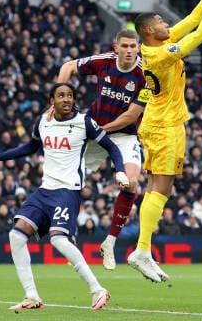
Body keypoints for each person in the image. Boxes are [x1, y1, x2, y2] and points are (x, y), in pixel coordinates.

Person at [0, 83, 128, 311]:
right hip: (45, 191)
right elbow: (28, 148)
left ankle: (97, 289)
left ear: (74, 100)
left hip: (68, 191)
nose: (66, 99)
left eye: (70, 96)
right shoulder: (43, 122)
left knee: (58, 239)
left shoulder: (84, 123)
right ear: (51, 99)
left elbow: (112, 148)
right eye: (61, 95)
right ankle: (32, 296)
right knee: (16, 236)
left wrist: (120, 170)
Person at [126, 0, 202, 283]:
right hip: (165, 125)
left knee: (157, 188)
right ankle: (142, 250)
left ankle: (143, 250)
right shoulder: (159, 54)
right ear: (148, 31)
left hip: (156, 123)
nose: (164, 22)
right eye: (159, 20)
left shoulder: (158, 45)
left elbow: (190, 20)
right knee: (162, 188)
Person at [55, 29, 149, 271]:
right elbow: (68, 66)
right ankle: (68, 236)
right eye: (125, 46)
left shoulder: (145, 75)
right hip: (94, 130)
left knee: (131, 183)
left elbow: (132, 115)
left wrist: (100, 130)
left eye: (133, 46)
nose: (129, 50)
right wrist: (58, 98)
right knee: (69, 179)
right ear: (116, 47)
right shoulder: (103, 62)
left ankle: (109, 243)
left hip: (122, 134)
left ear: (138, 47)